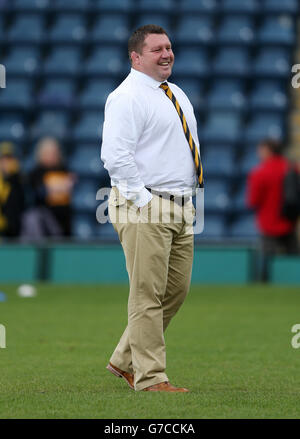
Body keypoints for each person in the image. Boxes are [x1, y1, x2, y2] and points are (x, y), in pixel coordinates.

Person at [101, 24, 203, 392]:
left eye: (169, 47)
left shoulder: (174, 92)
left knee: (174, 291)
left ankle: (124, 359)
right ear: (136, 56)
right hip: (146, 203)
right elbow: (115, 156)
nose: (166, 54)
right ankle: (150, 378)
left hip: (180, 205)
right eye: (157, 49)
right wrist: (144, 203)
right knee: (147, 295)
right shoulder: (127, 96)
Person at [246, 138, 299, 282]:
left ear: (268, 151)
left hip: (269, 223)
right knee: (293, 259)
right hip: (290, 221)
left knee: (267, 261)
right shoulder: (292, 168)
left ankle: (264, 282)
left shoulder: (260, 172)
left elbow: (252, 201)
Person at [21, 137, 75, 240]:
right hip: (46, 218)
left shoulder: (64, 170)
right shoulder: (36, 173)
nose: (52, 156)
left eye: (54, 153)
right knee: (33, 217)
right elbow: (38, 193)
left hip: (64, 218)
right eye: (48, 153)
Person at [0, 141, 25, 238]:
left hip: (17, 230)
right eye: (3, 159)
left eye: (10, 159)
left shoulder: (20, 180)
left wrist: (13, 177)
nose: (6, 163)